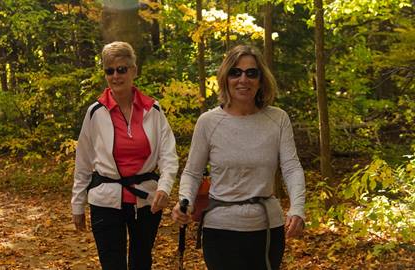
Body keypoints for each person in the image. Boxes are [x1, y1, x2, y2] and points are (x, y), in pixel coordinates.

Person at [171, 44, 306, 270]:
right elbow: (192, 173)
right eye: (236, 72)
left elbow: (291, 168)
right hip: (220, 229)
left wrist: (297, 209)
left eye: (251, 73)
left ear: (261, 79)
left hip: (267, 231)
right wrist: (185, 200)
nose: (243, 79)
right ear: (225, 78)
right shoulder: (208, 122)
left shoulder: (278, 119)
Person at [71, 41, 178, 270]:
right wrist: (77, 204)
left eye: (122, 69)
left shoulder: (153, 110)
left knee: (141, 263)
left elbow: (168, 155)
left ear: (134, 70)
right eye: (109, 70)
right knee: (112, 265)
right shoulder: (95, 113)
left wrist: (165, 187)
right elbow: (83, 162)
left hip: (146, 200)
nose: (116, 76)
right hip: (105, 199)